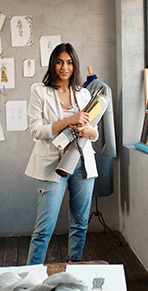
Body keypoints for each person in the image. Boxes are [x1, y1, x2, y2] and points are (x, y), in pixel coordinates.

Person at [25, 43, 99, 265]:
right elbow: (36, 130)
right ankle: (31, 278)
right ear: (53, 64)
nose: (64, 67)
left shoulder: (84, 93)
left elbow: (95, 132)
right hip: (52, 164)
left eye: (68, 62)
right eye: (59, 62)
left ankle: (73, 268)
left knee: (80, 223)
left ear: (74, 65)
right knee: (43, 228)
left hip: (82, 163)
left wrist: (90, 132)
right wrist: (69, 120)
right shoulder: (39, 91)